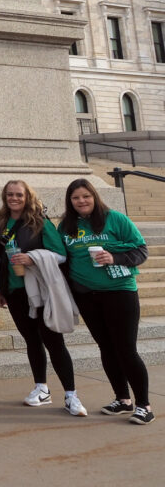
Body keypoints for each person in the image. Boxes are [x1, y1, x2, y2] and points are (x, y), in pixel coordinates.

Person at [58, 179, 153, 424]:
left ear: (94, 196)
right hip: (87, 296)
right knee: (106, 348)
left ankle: (144, 405)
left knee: (126, 349)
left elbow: (141, 250)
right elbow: (62, 258)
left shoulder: (115, 219)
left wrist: (116, 256)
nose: (81, 201)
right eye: (76, 198)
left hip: (119, 292)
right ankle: (122, 399)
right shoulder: (67, 225)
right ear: (70, 201)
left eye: (86, 196)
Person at [0, 180, 85, 416]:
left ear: (27, 196)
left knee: (53, 341)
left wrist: (33, 257)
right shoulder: (0, 224)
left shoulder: (40, 222)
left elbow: (61, 255)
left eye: (19, 195)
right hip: (14, 291)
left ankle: (71, 395)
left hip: (41, 291)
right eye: (10, 194)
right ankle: (41, 388)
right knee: (32, 341)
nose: (14, 198)